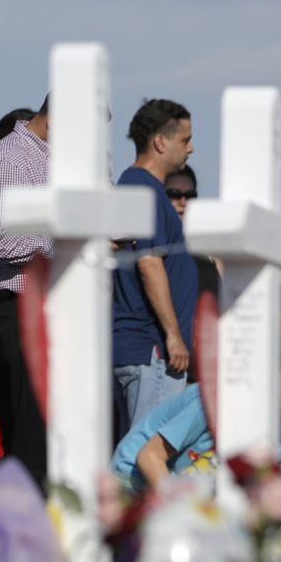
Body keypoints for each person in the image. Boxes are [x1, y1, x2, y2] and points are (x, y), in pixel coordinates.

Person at [111, 318, 281, 494]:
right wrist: (179, 511)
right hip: (133, 481)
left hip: (189, 490)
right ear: (273, 371)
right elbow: (150, 457)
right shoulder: (213, 400)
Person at [112, 99, 198, 441]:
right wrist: (173, 336)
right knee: (147, 455)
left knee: (142, 453)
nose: (191, 148)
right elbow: (149, 263)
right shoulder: (142, 187)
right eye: (185, 139)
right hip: (152, 350)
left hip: (147, 350)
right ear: (160, 142)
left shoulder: (141, 187)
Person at [0, 97, 52, 487]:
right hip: (25, 311)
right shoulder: (10, 159)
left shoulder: (52, 160)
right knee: (33, 449)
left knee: (53, 447)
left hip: (53, 314)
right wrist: (66, 243)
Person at [164, 163, 219, 302]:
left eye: (190, 195)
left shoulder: (210, 249)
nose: (183, 201)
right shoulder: (146, 246)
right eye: (174, 194)